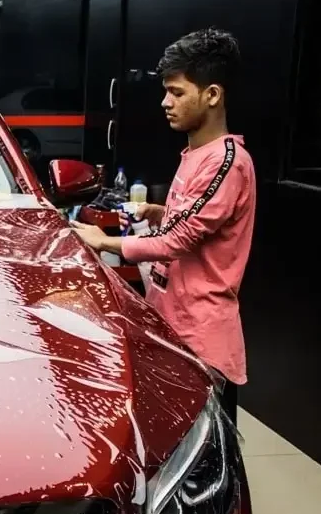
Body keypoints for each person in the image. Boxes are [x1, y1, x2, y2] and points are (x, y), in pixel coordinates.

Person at [69, 28, 254, 424]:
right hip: (173, 323)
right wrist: (159, 212)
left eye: (177, 92)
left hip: (202, 338)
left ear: (213, 95)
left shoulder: (227, 161)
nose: (165, 102)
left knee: (201, 460)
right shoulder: (195, 155)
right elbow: (193, 224)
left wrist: (107, 242)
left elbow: (179, 240)